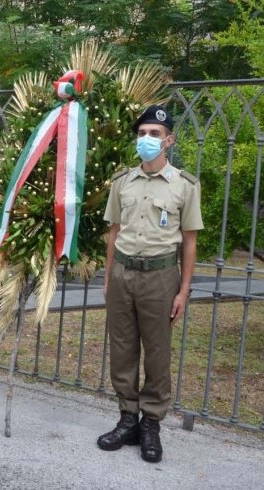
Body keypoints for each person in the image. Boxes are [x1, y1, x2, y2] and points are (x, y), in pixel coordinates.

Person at [99, 105, 203, 463]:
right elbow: (113, 232)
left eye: (155, 134)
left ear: (169, 140)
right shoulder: (122, 182)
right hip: (123, 274)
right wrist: (109, 276)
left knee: (157, 353)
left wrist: (184, 291)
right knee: (122, 348)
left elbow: (189, 241)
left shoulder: (184, 186)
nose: (147, 139)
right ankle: (127, 419)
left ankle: (151, 425)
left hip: (161, 277)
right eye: (142, 133)